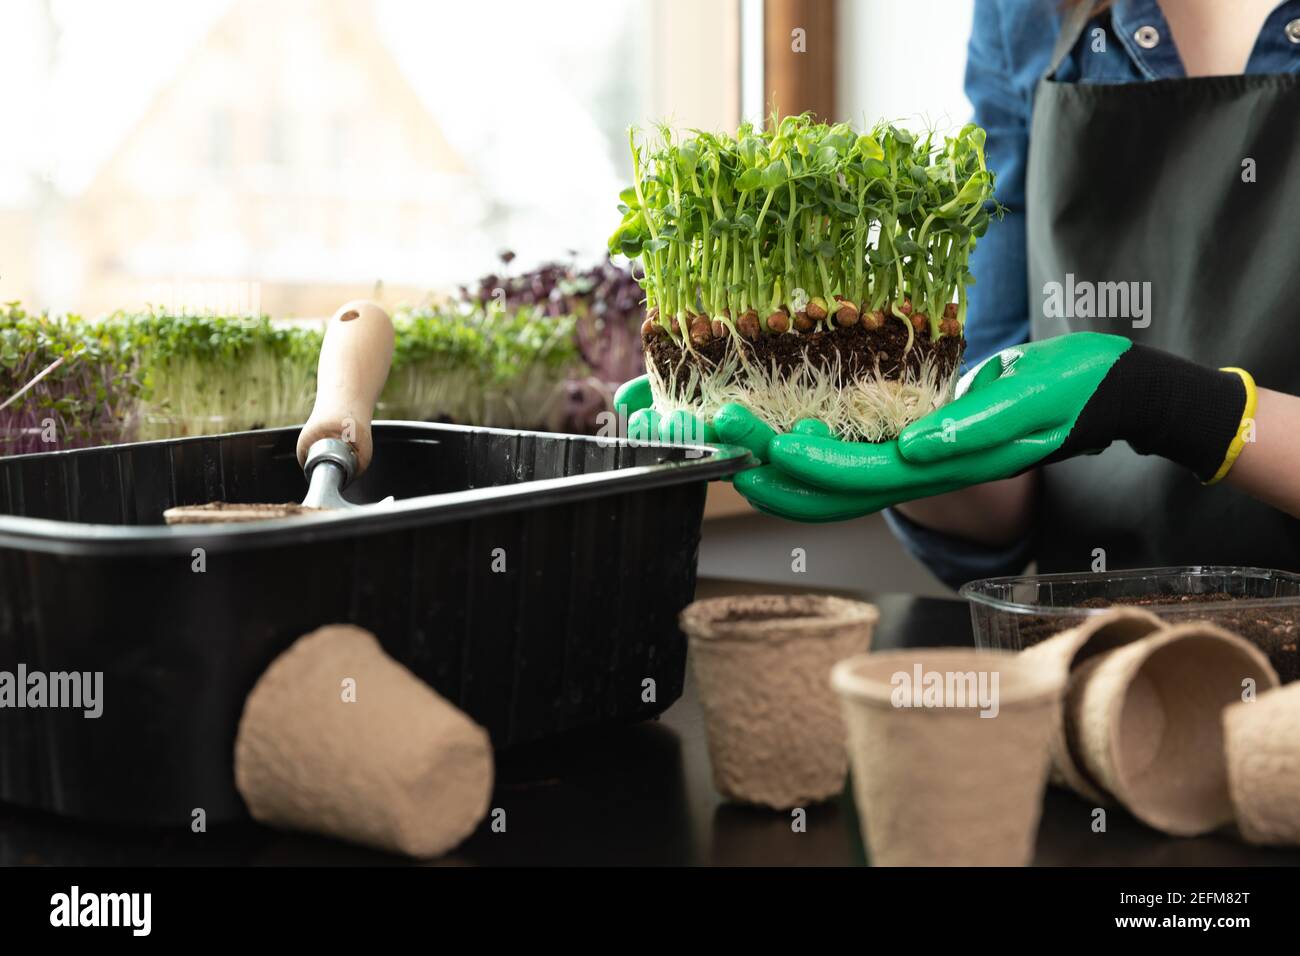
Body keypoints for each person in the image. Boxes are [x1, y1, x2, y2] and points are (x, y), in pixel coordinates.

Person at [617, 0, 1300, 588]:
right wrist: (906, 445)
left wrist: (1163, 403)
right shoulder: (1029, 14)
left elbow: (1143, 400)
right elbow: (1002, 494)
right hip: (1096, 654)